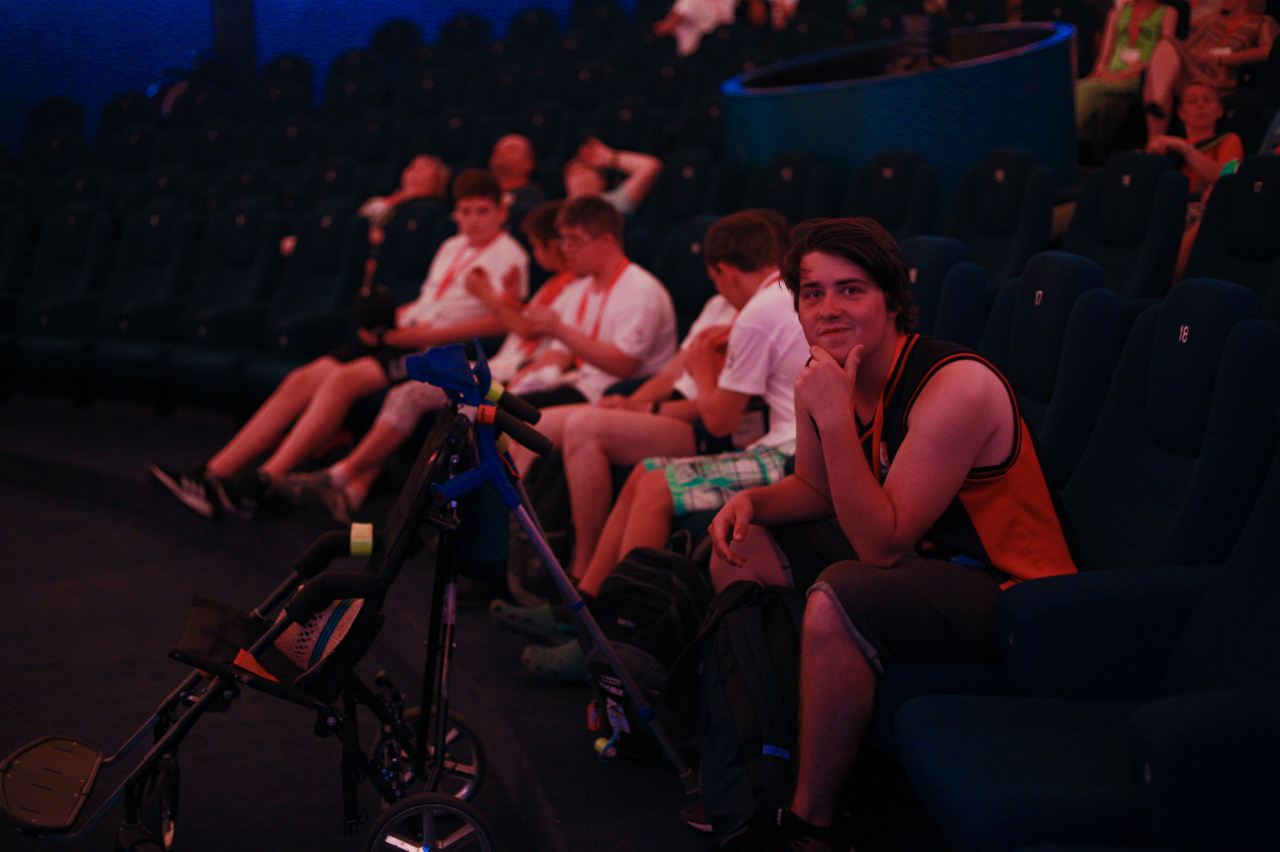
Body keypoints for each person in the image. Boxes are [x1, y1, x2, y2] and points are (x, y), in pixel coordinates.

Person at [703, 218, 1077, 851]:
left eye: (851, 290)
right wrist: (752, 501)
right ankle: (759, 761)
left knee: (840, 595)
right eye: (813, 293)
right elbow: (817, 490)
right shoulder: (825, 374)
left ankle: (811, 823)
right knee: (742, 548)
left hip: (1013, 591)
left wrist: (831, 416)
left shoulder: (955, 384)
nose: (829, 307)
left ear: (892, 301)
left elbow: (881, 545)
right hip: (924, 566)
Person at [497, 211, 810, 681]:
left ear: (725, 271)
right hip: (772, 440)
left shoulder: (759, 312)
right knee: (643, 472)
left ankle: (621, 645)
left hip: (785, 451)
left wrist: (699, 369)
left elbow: (721, 418)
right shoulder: (772, 301)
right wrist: (647, 400)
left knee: (655, 485)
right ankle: (587, 608)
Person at [149, 169, 528, 519]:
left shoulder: (510, 254)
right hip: (407, 334)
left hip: (439, 349)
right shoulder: (451, 245)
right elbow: (430, 302)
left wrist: (414, 336)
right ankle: (212, 473)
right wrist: (387, 323)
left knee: (342, 380)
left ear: (501, 213)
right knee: (303, 378)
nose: (473, 219)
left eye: (483, 211)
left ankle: (264, 480)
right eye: (466, 211)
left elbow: (501, 323)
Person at [280, 200, 577, 521]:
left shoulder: (571, 284)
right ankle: (352, 490)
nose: (535, 254)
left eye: (538, 246)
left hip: (513, 374)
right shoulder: (555, 282)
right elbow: (527, 320)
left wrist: (488, 296)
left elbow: (529, 329)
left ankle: (340, 475)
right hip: (501, 365)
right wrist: (507, 298)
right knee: (411, 392)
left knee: (407, 394)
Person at [503, 195, 678, 437]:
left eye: (574, 241)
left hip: (616, 394)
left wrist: (561, 330)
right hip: (579, 382)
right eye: (563, 240)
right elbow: (560, 353)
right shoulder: (583, 287)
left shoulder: (640, 290)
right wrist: (520, 381)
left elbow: (624, 364)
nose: (566, 250)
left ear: (606, 241)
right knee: (491, 404)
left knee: (508, 420)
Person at [1147, 81, 1244, 277]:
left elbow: (1221, 177)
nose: (1200, 105)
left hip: (1201, 207)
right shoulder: (1165, 144)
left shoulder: (1229, 139)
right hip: (1163, 205)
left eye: (1207, 101)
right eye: (1192, 101)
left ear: (1219, 110)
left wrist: (1185, 149)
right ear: (1182, 113)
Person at [1143, 0, 1277, 139]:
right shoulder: (1215, 19)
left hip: (1219, 75)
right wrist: (1197, 55)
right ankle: (1154, 139)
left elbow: (1269, 50)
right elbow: (1187, 44)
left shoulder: (1262, 21)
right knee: (1166, 46)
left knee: (1158, 74)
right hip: (1194, 69)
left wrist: (1223, 59)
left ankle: (1156, 120)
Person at [281, 154, 451, 257]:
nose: (413, 169)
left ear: (437, 179)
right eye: (412, 165)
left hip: (367, 246)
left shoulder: (425, 209)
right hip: (350, 236)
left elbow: (394, 238)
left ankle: (309, 244)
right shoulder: (383, 197)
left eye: (423, 167)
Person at [1075, 0, 1177, 143]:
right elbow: (1105, 52)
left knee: (1089, 89)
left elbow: (1166, 54)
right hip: (1111, 73)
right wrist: (1100, 70)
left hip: (1140, 75)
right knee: (1075, 87)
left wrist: (1123, 75)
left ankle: (1063, 136)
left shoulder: (1168, 13)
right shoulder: (1116, 14)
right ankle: (1080, 142)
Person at [562, 137, 663, 216]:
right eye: (574, 173)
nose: (580, 177)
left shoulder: (614, 204)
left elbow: (650, 167)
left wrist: (610, 158)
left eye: (584, 171)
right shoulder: (559, 213)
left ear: (602, 182)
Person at [488, 134, 546, 209]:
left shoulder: (532, 196)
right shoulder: (484, 192)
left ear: (529, 163)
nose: (501, 151)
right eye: (497, 149)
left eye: (511, 149)